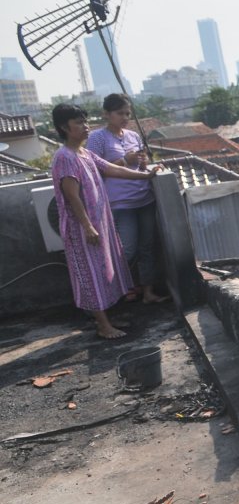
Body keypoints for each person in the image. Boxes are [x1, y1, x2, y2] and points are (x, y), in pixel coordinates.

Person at [50, 103, 161, 339]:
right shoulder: (64, 157)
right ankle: (103, 326)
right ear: (64, 127)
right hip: (82, 228)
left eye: (85, 121)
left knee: (105, 271)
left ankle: (107, 317)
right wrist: (88, 226)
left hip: (99, 224)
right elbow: (71, 195)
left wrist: (145, 174)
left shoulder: (84, 153)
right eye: (78, 122)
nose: (85, 126)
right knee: (91, 275)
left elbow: (112, 169)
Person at [86, 93, 168, 303]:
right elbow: (95, 170)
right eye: (120, 113)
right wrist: (124, 160)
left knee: (147, 247)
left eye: (127, 113)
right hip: (120, 202)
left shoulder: (133, 136)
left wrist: (145, 163)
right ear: (106, 114)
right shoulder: (98, 137)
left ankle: (148, 292)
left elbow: (140, 167)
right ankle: (113, 292)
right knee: (127, 249)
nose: (125, 117)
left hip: (144, 198)